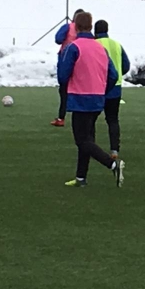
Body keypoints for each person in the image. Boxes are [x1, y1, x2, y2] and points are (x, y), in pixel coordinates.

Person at [58, 12, 125, 188]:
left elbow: (63, 75)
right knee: (88, 138)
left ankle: (112, 164)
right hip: (97, 99)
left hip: (80, 99)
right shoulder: (100, 48)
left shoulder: (73, 47)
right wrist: (103, 90)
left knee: (82, 140)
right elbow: (113, 75)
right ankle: (81, 177)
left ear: (76, 27)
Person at [95, 19, 131, 158]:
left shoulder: (94, 44)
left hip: (98, 87)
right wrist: (118, 73)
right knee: (113, 120)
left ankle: (90, 146)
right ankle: (114, 149)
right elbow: (126, 65)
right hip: (115, 88)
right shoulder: (117, 44)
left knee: (90, 119)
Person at [51, 8, 85, 127]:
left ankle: (61, 117)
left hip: (66, 59)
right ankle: (83, 118)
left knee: (64, 89)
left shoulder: (68, 27)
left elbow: (58, 39)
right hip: (82, 62)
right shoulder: (86, 31)